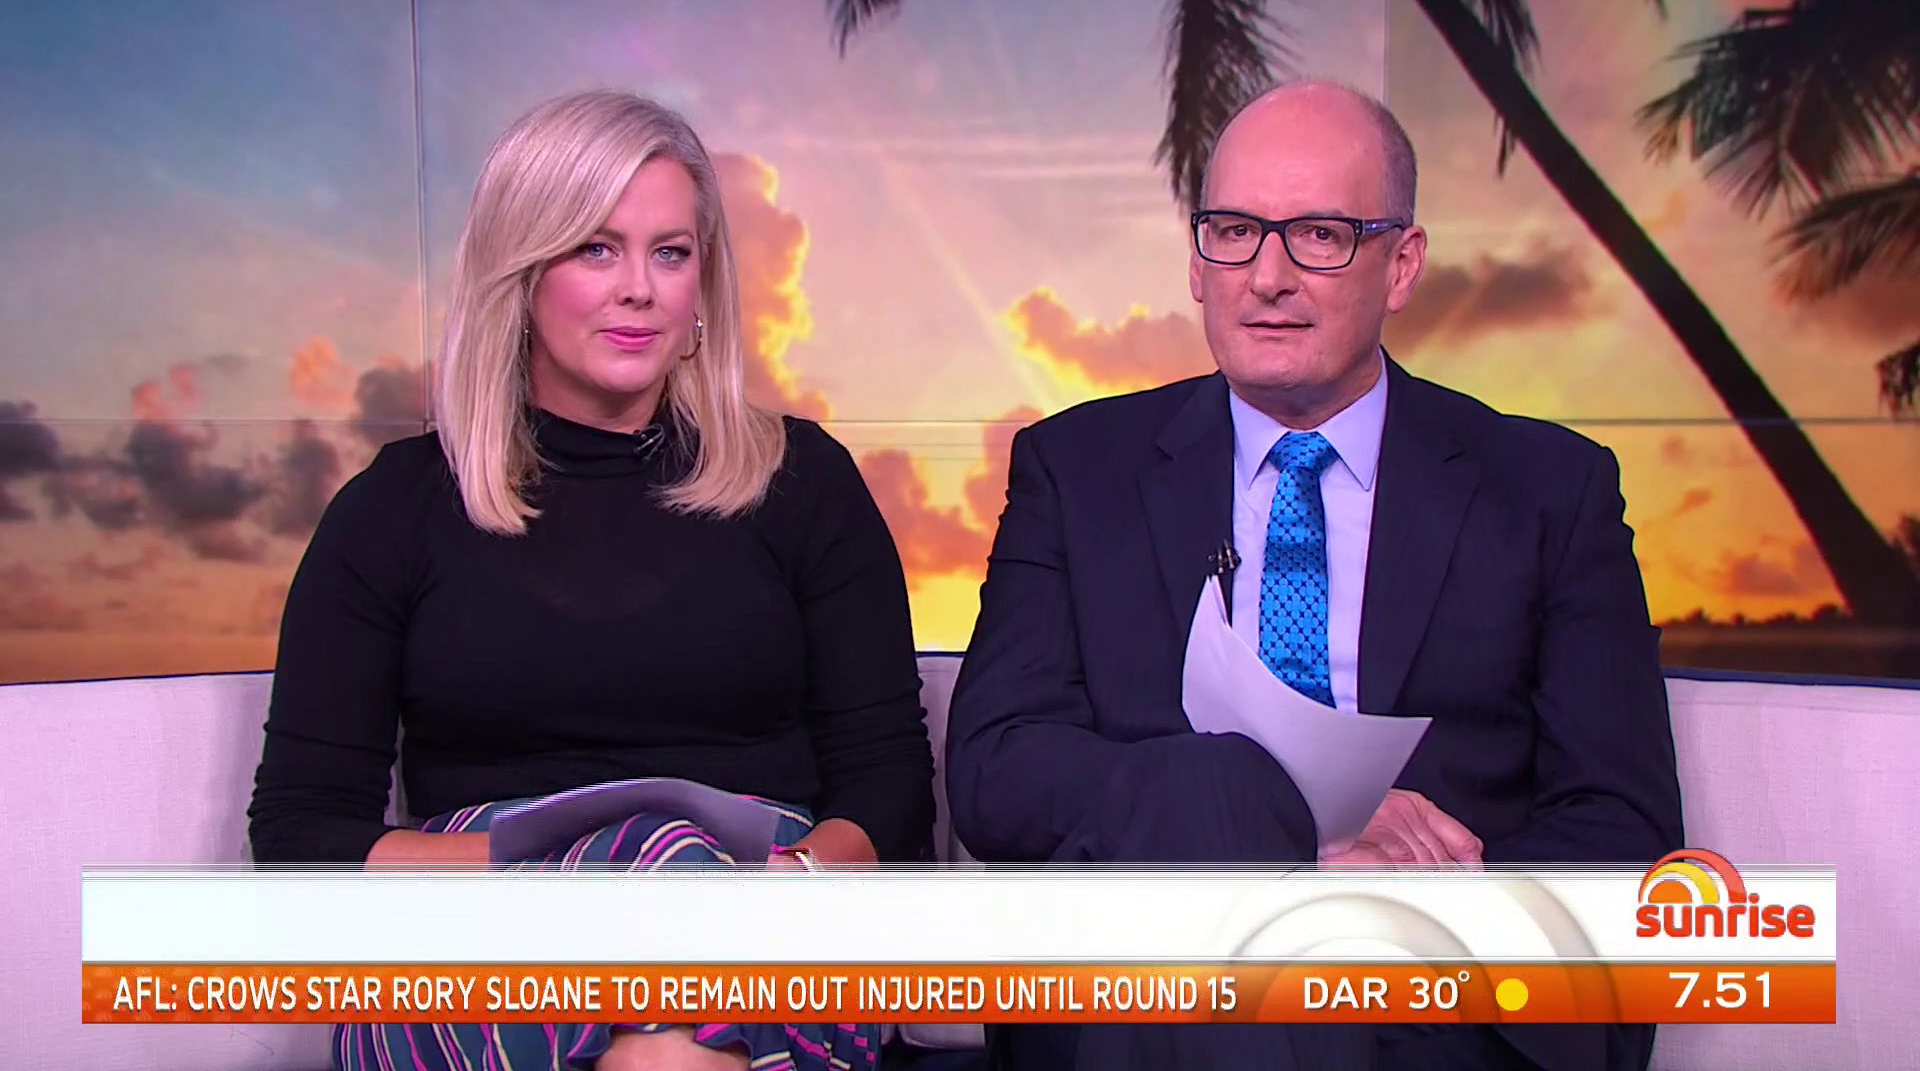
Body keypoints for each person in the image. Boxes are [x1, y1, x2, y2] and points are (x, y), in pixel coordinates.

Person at [946, 81, 1683, 1070]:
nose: (1268, 277)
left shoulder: (1549, 489)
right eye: (1235, 233)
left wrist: (1386, 911)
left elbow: (1619, 822)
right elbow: (996, 770)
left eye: (1320, 236)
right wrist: (1271, 822)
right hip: (1148, 974)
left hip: (1431, 993)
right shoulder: (1078, 471)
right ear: (1197, 262)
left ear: (1402, 265)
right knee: (1212, 874)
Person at [248, 90, 935, 1071]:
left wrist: (780, 885)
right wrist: (561, 886)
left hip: (767, 919)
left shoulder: (804, 483)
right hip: (476, 935)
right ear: (521, 272)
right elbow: (302, 834)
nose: (639, 289)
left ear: (704, 284)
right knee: (664, 900)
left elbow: (889, 785)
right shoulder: (391, 510)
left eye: (671, 253)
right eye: (596, 249)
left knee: (679, 917)